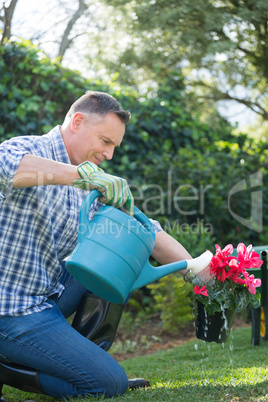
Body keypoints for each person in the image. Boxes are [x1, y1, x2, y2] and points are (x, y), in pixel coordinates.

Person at [0, 91, 194, 399]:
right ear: (77, 122)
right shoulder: (27, 149)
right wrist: (82, 177)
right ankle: (7, 368)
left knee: (120, 252)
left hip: (49, 296)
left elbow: (146, 231)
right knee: (107, 385)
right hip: (10, 309)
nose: (110, 154)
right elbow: (7, 168)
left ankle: (87, 360)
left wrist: (195, 269)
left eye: (114, 146)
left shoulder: (94, 179)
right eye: (105, 142)